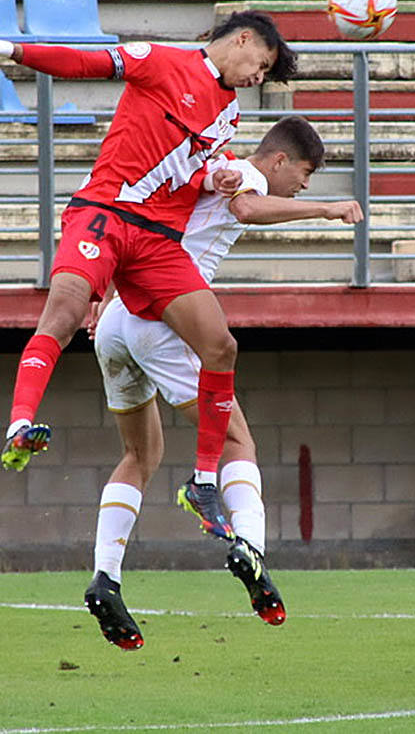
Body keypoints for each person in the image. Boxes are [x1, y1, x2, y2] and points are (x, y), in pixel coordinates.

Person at [0, 13, 298, 544]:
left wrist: (220, 173)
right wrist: (5, 48)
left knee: (220, 345)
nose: (259, 78)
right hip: (105, 213)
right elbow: (82, 63)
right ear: (242, 40)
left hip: (156, 242)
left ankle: (205, 479)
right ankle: (20, 423)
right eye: (261, 65)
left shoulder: (228, 115)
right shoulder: (160, 61)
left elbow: (194, 170)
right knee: (67, 310)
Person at [81, 116, 364, 650]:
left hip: (118, 318)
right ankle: (251, 549)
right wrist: (326, 209)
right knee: (237, 439)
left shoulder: (208, 170)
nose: (303, 187)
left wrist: (100, 290)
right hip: (161, 322)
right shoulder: (245, 176)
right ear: (279, 160)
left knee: (139, 456)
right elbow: (248, 208)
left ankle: (105, 578)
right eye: (303, 175)